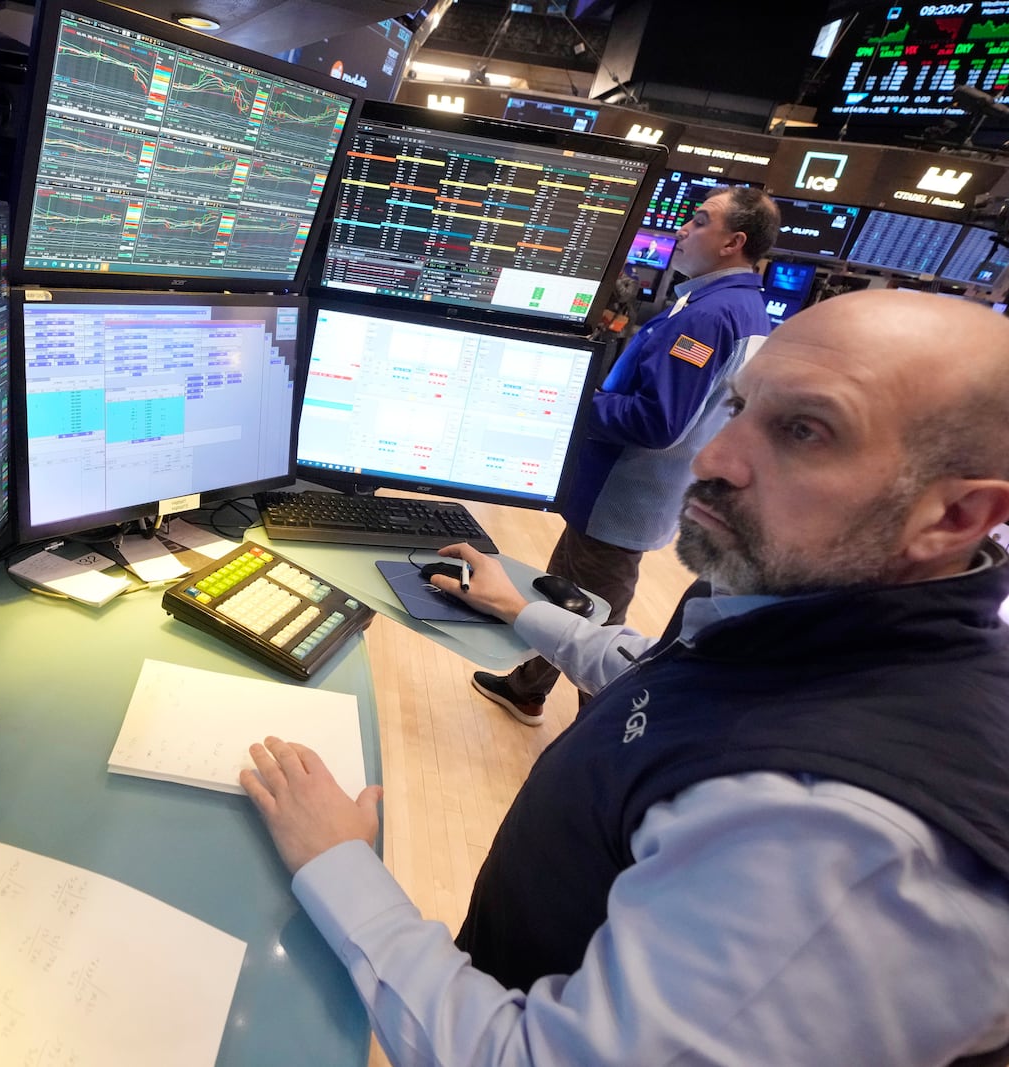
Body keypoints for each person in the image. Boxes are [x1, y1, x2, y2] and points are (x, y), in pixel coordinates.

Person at [239, 290, 1009, 1066]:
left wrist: (337, 863)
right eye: (739, 406)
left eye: (805, 431)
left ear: (954, 517)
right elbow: (677, 688)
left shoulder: (839, 836)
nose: (713, 458)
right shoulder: (816, 616)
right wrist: (523, 611)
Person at [475, 186, 779, 726]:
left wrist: (581, 402)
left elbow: (658, 422)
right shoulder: (742, 305)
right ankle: (528, 687)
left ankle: (604, 728)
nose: (682, 229)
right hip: (635, 492)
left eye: (700, 221)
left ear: (734, 241)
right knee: (565, 585)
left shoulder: (708, 316)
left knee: (592, 615)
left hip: (626, 492)